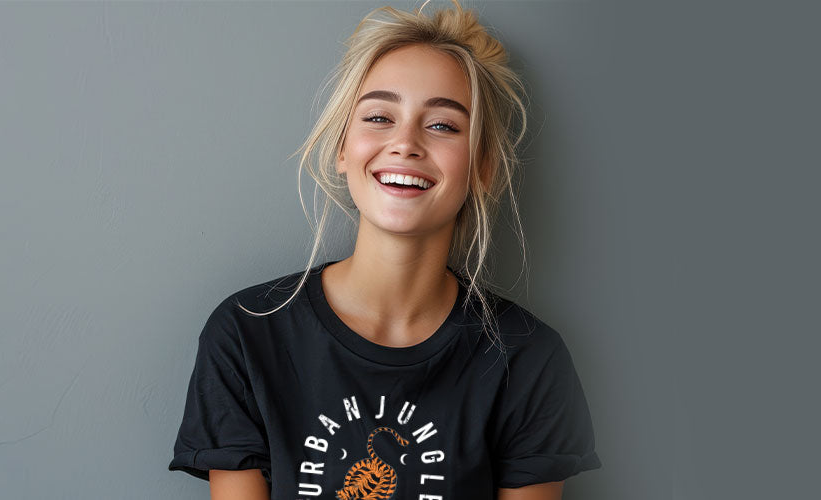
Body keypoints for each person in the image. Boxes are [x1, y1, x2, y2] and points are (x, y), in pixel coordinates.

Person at [167, 3, 601, 499]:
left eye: (443, 125)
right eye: (378, 117)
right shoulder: (247, 333)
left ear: (482, 168)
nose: (405, 143)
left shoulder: (528, 358)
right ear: (342, 148)